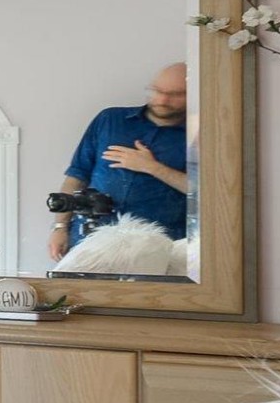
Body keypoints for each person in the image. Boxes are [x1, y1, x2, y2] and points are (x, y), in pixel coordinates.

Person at [50, 63, 192, 259]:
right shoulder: (110, 120)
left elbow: (204, 192)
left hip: (158, 248)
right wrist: (60, 227)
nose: (162, 99)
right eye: (157, 91)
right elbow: (77, 175)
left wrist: (152, 167)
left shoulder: (198, 135)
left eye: (175, 94)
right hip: (90, 240)